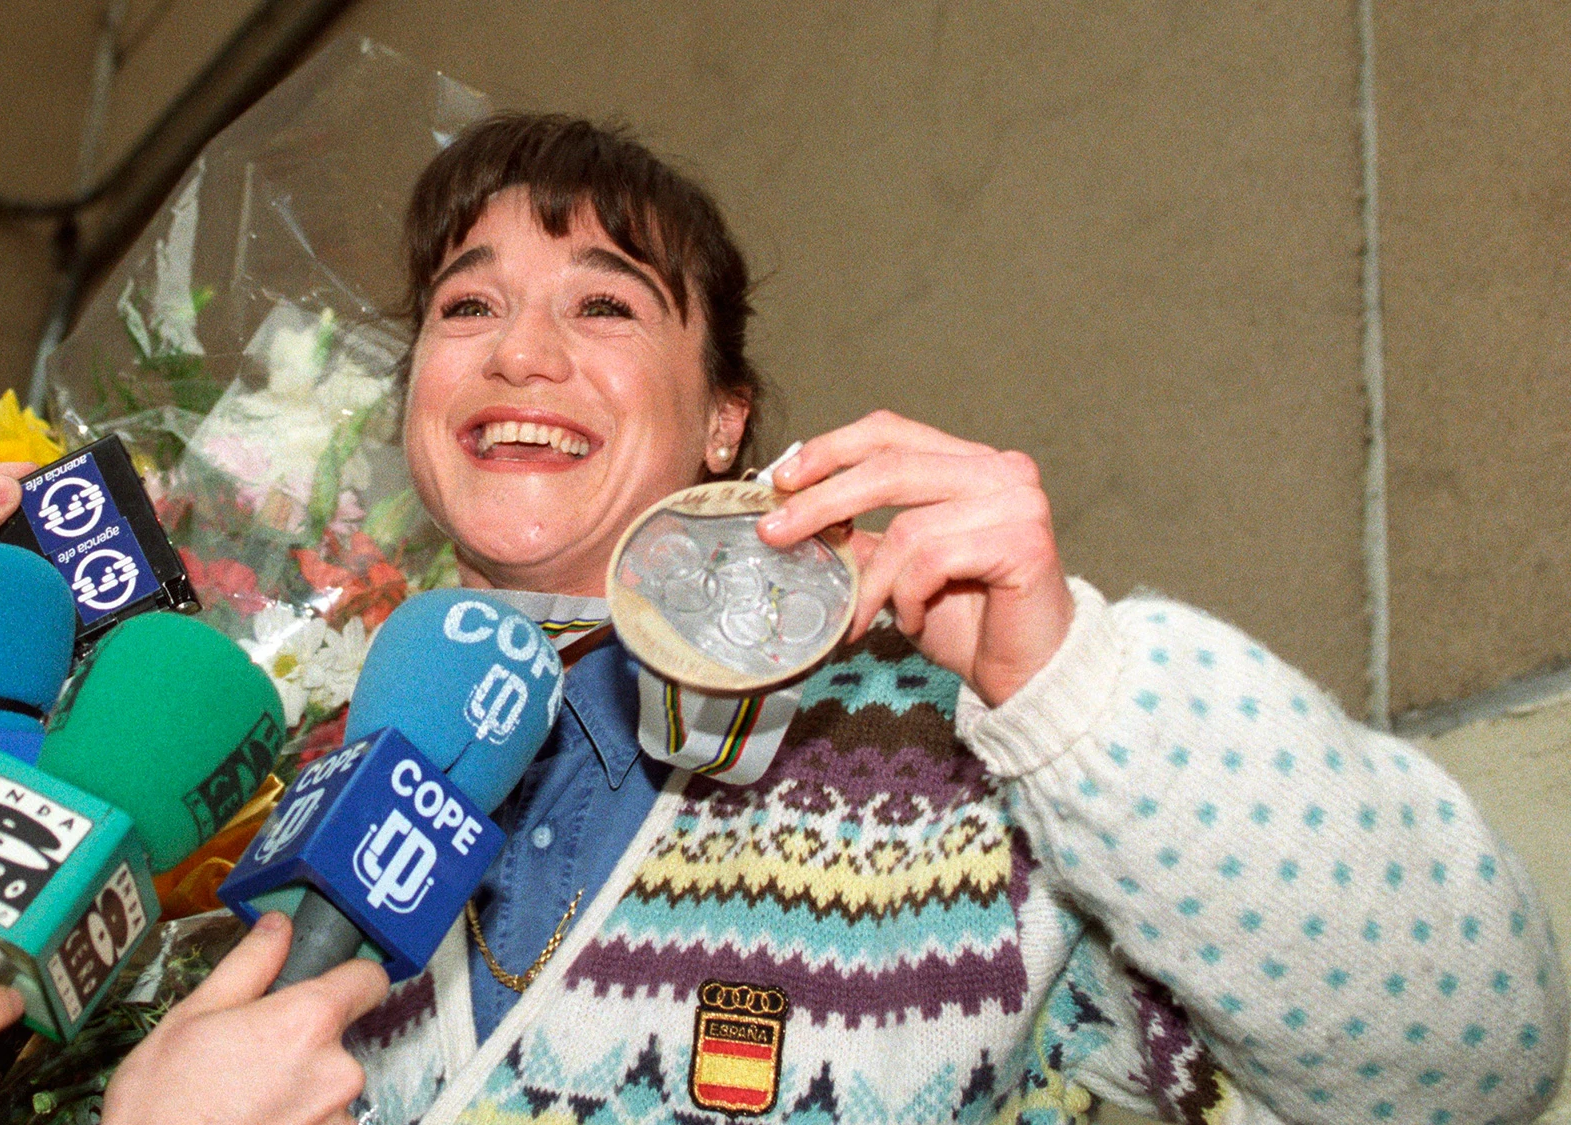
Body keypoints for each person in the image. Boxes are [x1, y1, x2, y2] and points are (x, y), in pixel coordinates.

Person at [297, 113, 1571, 1124]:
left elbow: (1469, 1063)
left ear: (722, 419)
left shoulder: (942, 760)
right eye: (466, 305)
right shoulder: (292, 789)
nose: (518, 352)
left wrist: (1074, 688)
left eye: (603, 302)